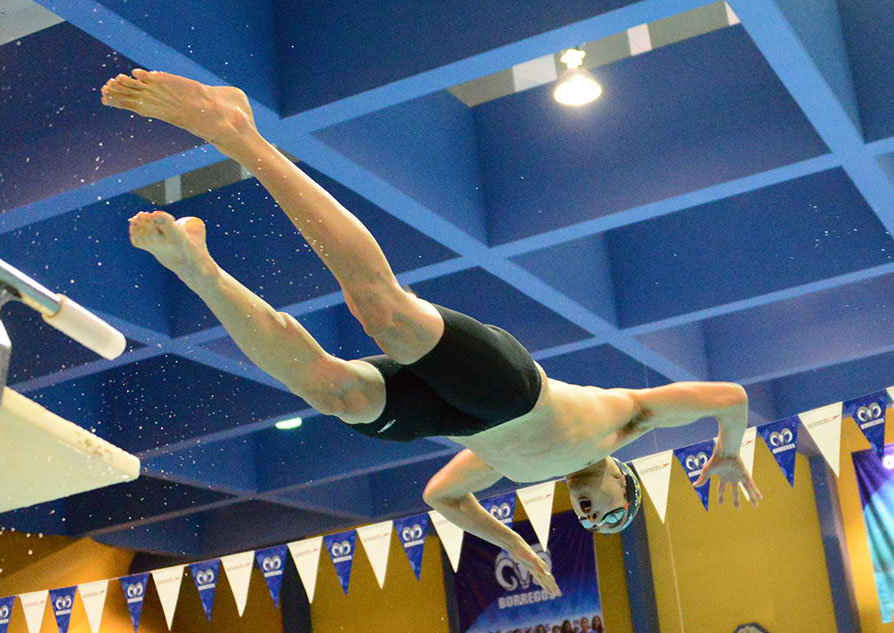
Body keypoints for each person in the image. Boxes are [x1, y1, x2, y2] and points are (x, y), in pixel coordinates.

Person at [101, 70, 764, 597]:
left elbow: (439, 495)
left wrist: (504, 539)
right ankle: (237, 131)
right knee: (380, 312)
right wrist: (730, 450)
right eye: (616, 512)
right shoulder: (626, 423)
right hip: (508, 388)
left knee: (339, 395)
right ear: (625, 479)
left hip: (462, 419)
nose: (599, 518)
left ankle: (199, 268)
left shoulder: (517, 468)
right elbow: (730, 396)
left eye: (597, 524)